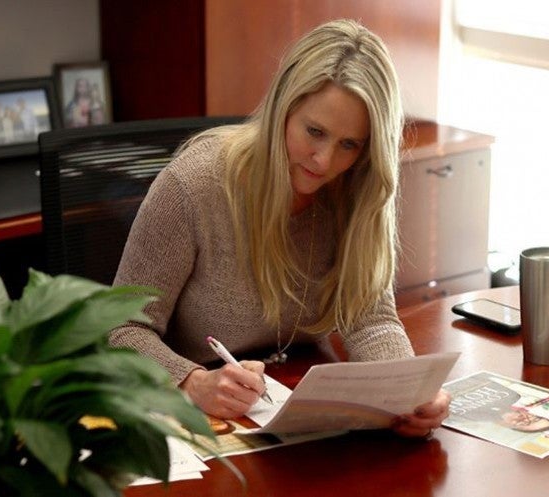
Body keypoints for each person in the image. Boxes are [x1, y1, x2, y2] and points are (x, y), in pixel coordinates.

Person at [110, 19, 451, 438]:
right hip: (203, 420)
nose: (323, 161)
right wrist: (192, 382)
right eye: (314, 131)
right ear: (281, 109)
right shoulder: (195, 185)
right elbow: (121, 329)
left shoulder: (355, 192)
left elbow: (370, 320)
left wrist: (409, 393)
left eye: (349, 144)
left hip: (297, 409)